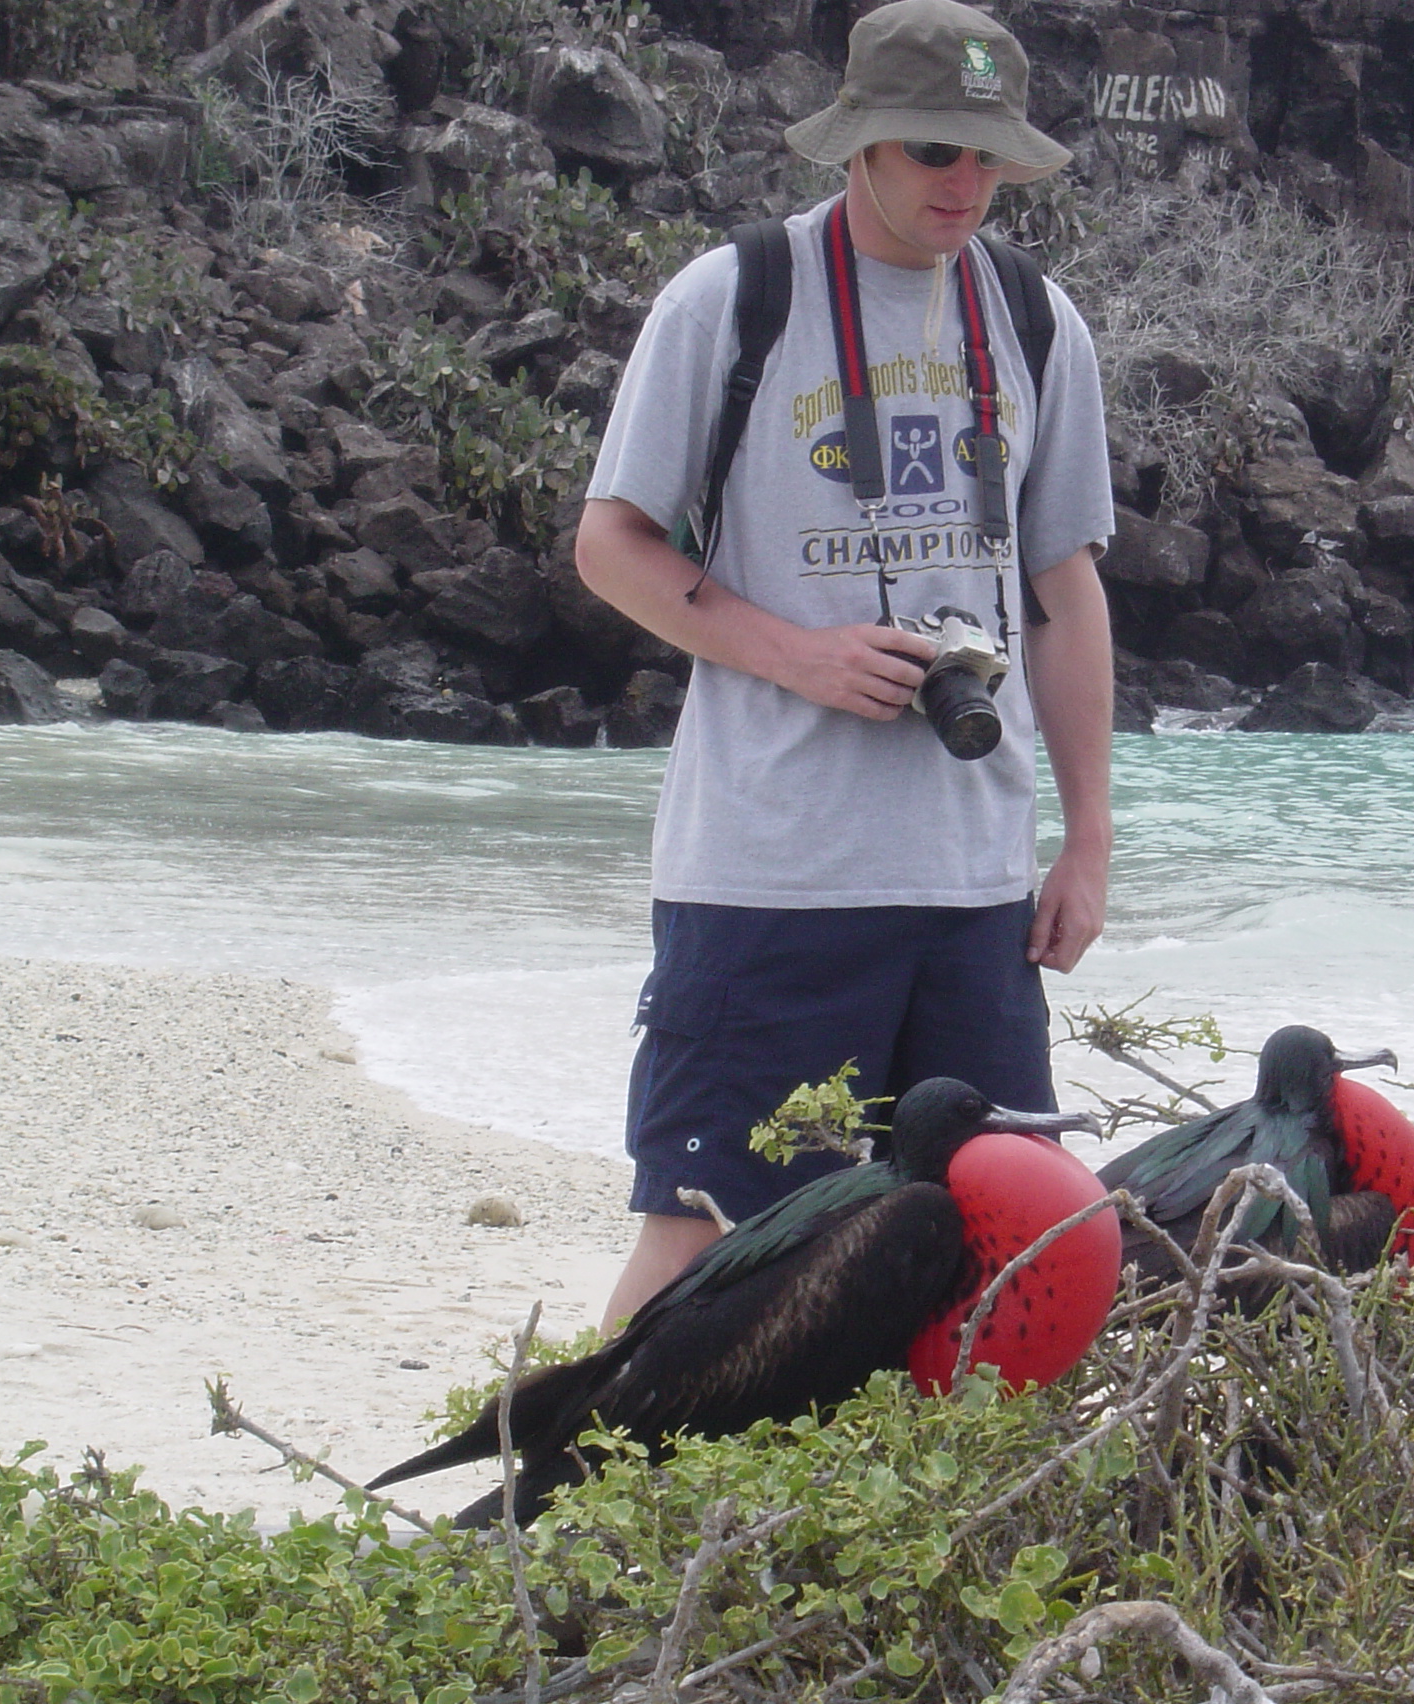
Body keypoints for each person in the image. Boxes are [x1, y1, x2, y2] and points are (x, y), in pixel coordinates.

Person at [575, 0, 1116, 1330]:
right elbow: (611, 544)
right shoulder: (735, 299)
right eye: (935, 150)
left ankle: (915, 1539)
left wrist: (1088, 843)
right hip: (770, 879)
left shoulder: (1039, 323)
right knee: (714, 1246)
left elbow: (1067, 593)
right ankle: (568, 1525)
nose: (965, 184)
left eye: (988, 155)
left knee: (989, 1257)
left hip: (972, 887)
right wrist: (801, 657)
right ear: (861, 145)